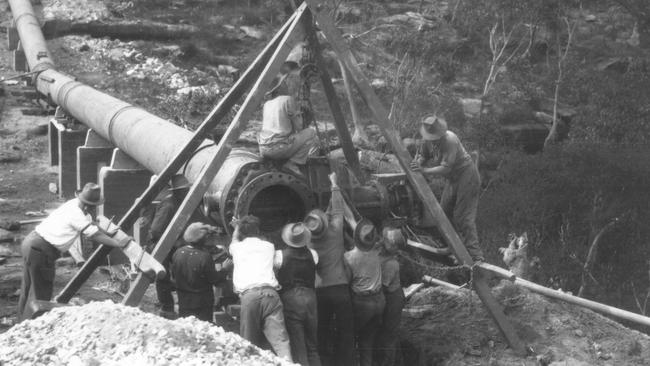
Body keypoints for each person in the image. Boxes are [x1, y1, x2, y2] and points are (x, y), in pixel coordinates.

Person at [17, 183, 128, 320]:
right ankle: (32, 327)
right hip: (41, 251)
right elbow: (94, 235)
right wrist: (118, 244)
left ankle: (20, 323)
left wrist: (108, 233)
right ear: (88, 206)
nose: (95, 209)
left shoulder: (75, 204)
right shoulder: (76, 214)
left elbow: (93, 225)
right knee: (40, 294)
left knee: (27, 288)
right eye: (94, 206)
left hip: (32, 243)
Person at [410, 115, 485, 262]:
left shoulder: (450, 140)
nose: (433, 140)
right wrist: (417, 163)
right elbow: (422, 156)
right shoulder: (427, 141)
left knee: (463, 217)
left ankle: (476, 256)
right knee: (444, 212)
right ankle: (453, 246)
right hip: (453, 178)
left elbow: (445, 168)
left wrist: (423, 171)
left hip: (467, 175)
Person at [304, 172, 355, 366]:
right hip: (340, 288)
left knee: (321, 330)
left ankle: (323, 362)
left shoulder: (308, 242)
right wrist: (334, 183)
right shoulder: (335, 232)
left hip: (319, 291)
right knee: (346, 331)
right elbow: (338, 208)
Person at [229, 215, 293, 362]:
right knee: (281, 342)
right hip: (271, 294)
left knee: (248, 342)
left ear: (242, 232)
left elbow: (234, 240)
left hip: (250, 296)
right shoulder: (269, 247)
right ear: (258, 230)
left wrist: (236, 228)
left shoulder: (236, 247)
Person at [275, 222, 321, 366]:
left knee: (298, 345)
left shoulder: (280, 255)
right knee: (312, 344)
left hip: (291, 298)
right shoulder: (313, 254)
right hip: (310, 297)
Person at [258, 74, 318, 176]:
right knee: (311, 133)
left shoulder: (267, 104)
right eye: (284, 83)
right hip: (279, 148)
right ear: (279, 87)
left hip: (263, 149)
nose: (286, 85)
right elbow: (299, 127)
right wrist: (304, 117)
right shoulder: (287, 99)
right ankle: (293, 163)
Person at [148, 174, 190, 319]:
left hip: (172, 244)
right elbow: (155, 230)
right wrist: (174, 242)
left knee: (177, 274)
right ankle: (167, 309)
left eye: (187, 189)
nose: (186, 192)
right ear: (176, 191)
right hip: (161, 244)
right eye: (183, 190)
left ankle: (178, 305)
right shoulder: (169, 204)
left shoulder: (179, 202)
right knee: (163, 277)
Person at [344, 219, 385, 366]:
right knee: (367, 340)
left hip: (362, 304)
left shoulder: (348, 257)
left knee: (351, 337)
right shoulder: (376, 252)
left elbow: (347, 280)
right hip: (379, 300)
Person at [171, 222, 231, 322]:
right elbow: (215, 280)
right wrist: (225, 269)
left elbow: (174, 276)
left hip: (183, 300)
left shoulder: (178, 253)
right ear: (202, 239)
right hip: (202, 304)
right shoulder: (204, 256)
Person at [374, 228, 405, 366]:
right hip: (387, 296)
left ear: (394, 247)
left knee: (389, 333)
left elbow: (383, 287)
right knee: (387, 332)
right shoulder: (379, 253)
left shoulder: (392, 264)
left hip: (393, 298)